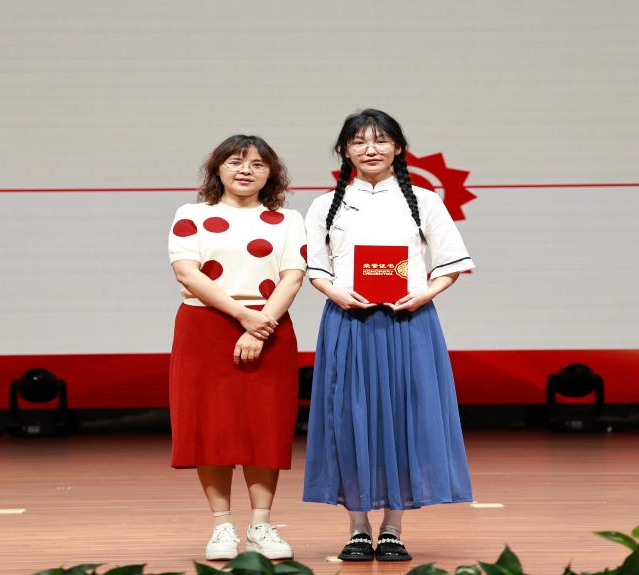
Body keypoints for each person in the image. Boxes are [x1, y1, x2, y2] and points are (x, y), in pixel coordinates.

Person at [302, 109, 474, 561]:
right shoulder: (325, 205)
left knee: (403, 419)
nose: (370, 149)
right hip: (349, 324)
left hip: (409, 324)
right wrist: (336, 293)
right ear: (345, 151)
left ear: (398, 148)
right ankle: (358, 528)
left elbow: (451, 263)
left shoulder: (424, 200)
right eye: (359, 141)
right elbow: (315, 267)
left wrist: (423, 294)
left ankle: (393, 527)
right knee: (349, 420)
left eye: (380, 140)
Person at [167, 135, 306, 561]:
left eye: (257, 164)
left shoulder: (287, 220)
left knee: (265, 425)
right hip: (205, 327)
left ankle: (262, 525)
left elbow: (293, 276)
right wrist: (244, 317)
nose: (246, 170)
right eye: (235, 161)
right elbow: (187, 273)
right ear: (218, 169)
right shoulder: (192, 215)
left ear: (271, 174)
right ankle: (222, 525)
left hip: (270, 326)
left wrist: (259, 327)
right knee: (211, 425)